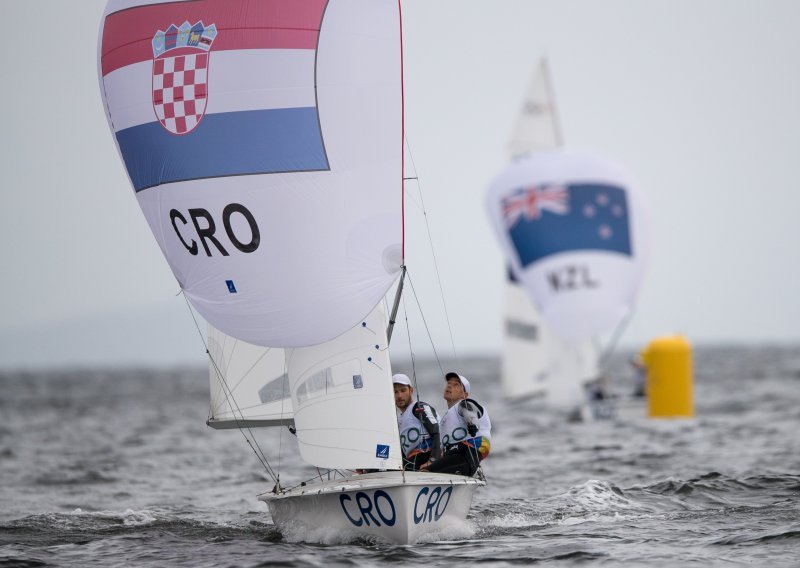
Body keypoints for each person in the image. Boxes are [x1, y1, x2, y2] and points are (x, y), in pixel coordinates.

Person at [424, 372, 491, 477]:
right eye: (449, 383)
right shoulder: (445, 418)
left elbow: (469, 410)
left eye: (456, 385)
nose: (450, 386)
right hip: (454, 456)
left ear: (464, 394)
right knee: (423, 470)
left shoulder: (465, 403)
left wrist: (472, 424)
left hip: (467, 454)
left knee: (426, 473)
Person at [393, 374, 442, 471]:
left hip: (426, 455)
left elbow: (437, 432)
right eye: (395, 392)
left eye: (403, 390)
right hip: (412, 459)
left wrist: (433, 460)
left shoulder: (419, 407)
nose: (399, 396)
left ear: (411, 391)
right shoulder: (399, 419)